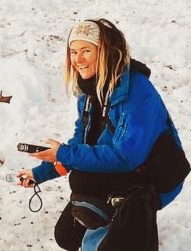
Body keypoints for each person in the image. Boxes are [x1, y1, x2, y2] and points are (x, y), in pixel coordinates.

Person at [17, 19, 187, 251]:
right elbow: (80, 144)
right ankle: (118, 221)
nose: (78, 59)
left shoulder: (137, 92)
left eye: (86, 50)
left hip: (156, 176)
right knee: (66, 236)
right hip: (122, 171)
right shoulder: (89, 91)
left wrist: (65, 153)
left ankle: (139, 219)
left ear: (106, 52)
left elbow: (127, 156)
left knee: (84, 179)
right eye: (74, 52)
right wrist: (40, 173)